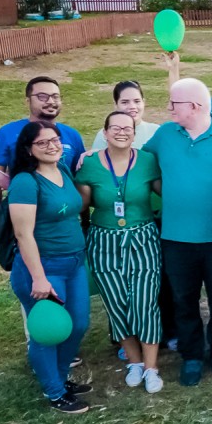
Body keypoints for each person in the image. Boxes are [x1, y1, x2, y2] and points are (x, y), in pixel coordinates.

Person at [144, 78, 212, 386]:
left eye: (173, 103)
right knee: (184, 299)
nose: (168, 108)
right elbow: (135, 160)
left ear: (194, 106)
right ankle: (192, 355)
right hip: (177, 238)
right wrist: (93, 155)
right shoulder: (165, 134)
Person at [5, 121, 92, 413]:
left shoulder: (62, 169)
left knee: (77, 324)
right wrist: (39, 278)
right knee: (48, 330)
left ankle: (59, 375)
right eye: (42, 143)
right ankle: (54, 391)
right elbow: (23, 234)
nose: (51, 146)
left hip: (74, 262)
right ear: (29, 149)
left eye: (54, 140)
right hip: (44, 268)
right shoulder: (25, 182)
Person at [76, 111, 164, 393]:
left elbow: (169, 191)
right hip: (104, 241)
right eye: (115, 128)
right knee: (116, 302)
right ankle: (134, 362)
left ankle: (152, 368)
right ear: (104, 133)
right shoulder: (89, 164)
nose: (122, 132)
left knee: (145, 301)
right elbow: (81, 204)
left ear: (135, 133)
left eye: (127, 128)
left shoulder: (148, 161)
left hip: (143, 238)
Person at [0, 77, 86, 217]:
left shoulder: (72, 135)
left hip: (63, 217)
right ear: (28, 101)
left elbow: (80, 181)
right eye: (42, 97)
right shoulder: (8, 133)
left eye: (55, 97)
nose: (51, 101)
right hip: (22, 212)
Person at [91, 80, 159, 150]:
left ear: (143, 102)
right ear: (116, 105)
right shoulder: (106, 135)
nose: (132, 106)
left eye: (137, 101)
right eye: (125, 102)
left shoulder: (157, 132)